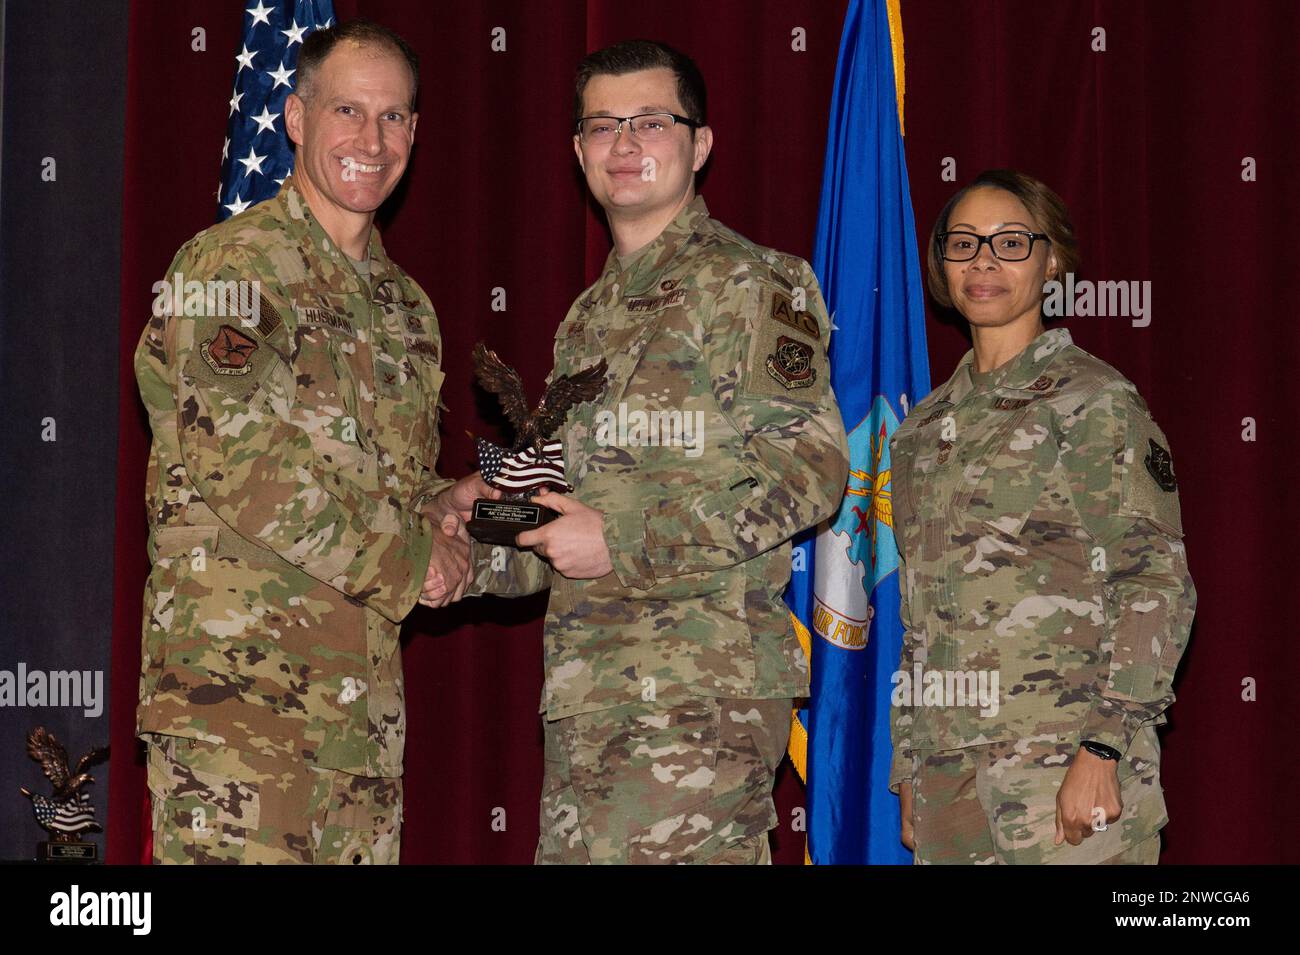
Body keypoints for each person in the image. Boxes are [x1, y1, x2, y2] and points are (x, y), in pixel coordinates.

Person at [460, 39, 849, 865]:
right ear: (577, 151)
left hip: (696, 697)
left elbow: (809, 473)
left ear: (700, 145)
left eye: (650, 122)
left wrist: (624, 543)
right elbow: (562, 517)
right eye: (603, 125)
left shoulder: (753, 284)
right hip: (589, 696)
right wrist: (464, 540)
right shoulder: (589, 317)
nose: (625, 144)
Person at [133, 19, 489, 864]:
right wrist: (412, 560)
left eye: (394, 117)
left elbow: (382, 491)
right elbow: (242, 465)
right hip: (238, 719)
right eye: (347, 111)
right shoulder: (233, 268)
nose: (371, 140)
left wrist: (450, 513)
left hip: (360, 726)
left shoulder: (407, 309)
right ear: (296, 118)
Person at [888, 170, 1196, 864]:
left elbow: (1154, 580)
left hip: (1063, 767)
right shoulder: (921, 430)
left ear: (1051, 259)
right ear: (940, 264)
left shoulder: (1093, 401)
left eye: (1011, 242)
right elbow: (919, 616)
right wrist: (909, 761)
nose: (984, 261)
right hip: (951, 783)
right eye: (964, 243)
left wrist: (1103, 744)